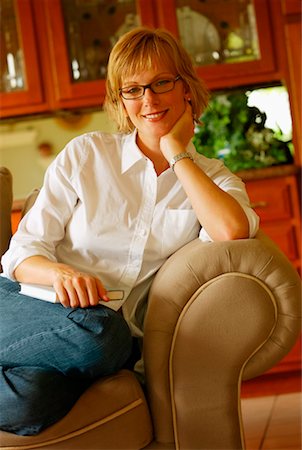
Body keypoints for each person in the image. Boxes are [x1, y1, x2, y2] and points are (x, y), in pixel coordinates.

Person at [0, 27, 259, 436]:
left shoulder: (213, 180)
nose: (149, 101)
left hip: (104, 342)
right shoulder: (87, 154)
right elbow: (21, 254)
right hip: (25, 308)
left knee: (30, 402)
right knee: (100, 333)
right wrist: (61, 274)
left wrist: (177, 154)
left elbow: (231, 230)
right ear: (120, 99)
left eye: (161, 83)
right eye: (133, 90)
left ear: (186, 88)